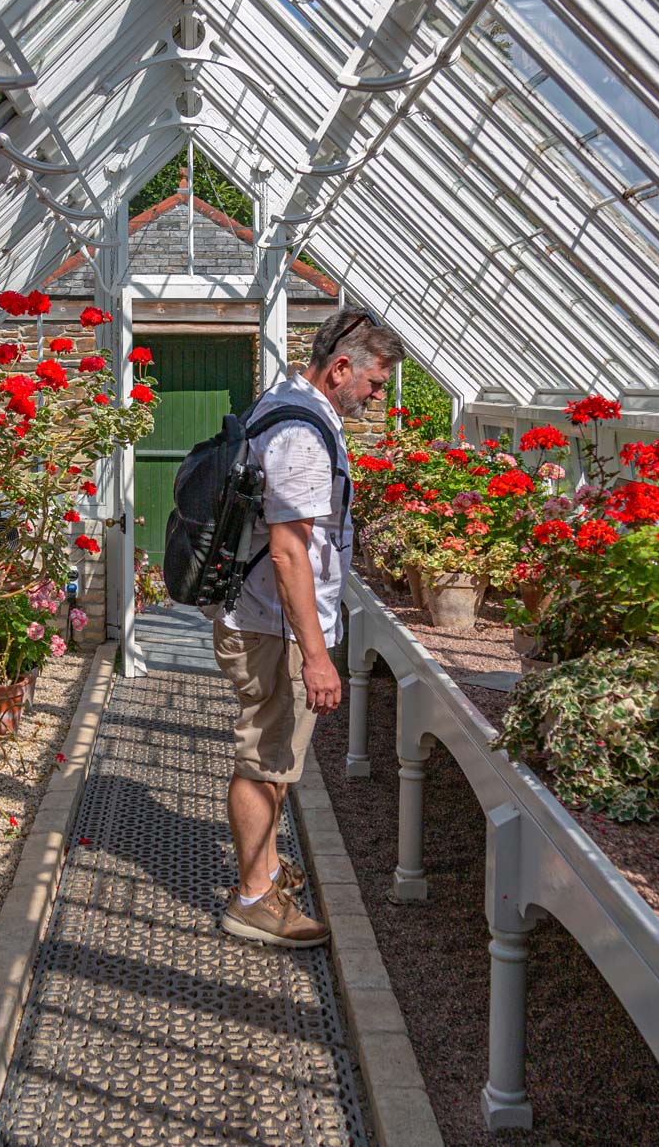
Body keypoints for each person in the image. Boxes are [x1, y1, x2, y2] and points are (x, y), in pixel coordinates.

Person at [213, 308, 405, 947]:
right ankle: (252, 901)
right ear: (341, 367)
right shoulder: (300, 433)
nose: (376, 399)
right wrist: (318, 657)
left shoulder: (290, 403)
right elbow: (291, 549)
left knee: (271, 755)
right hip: (275, 625)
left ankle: (264, 873)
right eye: (373, 385)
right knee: (264, 758)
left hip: (267, 618)